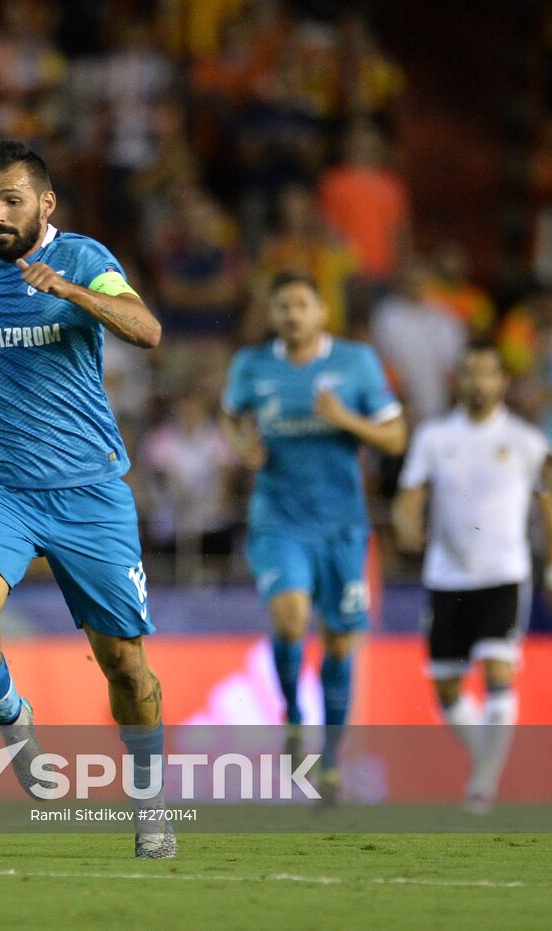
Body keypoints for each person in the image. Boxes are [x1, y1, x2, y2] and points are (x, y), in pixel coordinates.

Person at [0, 139, 173, 859]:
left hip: (89, 490)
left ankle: (150, 801)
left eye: (12, 200)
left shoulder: (85, 259)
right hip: (0, 484)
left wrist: (73, 293)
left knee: (124, 664)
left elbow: (147, 330)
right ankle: (14, 721)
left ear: (45, 204)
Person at [219, 272, 407, 803]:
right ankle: (294, 714)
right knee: (291, 616)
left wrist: (347, 419)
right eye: (283, 306)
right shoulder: (252, 366)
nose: (293, 314)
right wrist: (243, 447)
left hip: (343, 526)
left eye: (303, 304)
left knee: (342, 641)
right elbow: (230, 417)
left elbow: (395, 436)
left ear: (323, 313)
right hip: (279, 518)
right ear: (273, 315)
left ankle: (330, 758)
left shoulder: (356, 363)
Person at [392, 345, 552, 813]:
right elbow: (410, 493)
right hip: (447, 577)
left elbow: (551, 507)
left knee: (498, 671)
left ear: (502, 383)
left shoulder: (527, 440)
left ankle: (484, 783)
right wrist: (407, 522)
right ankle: (488, 761)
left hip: (504, 574)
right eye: (469, 374)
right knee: (446, 689)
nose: (478, 383)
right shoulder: (434, 436)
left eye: (487, 374)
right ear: (458, 380)